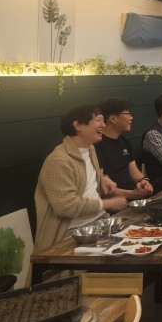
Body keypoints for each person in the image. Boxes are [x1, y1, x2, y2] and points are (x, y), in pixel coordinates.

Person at [34, 104, 127, 250]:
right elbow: (66, 207)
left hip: (99, 222)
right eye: (99, 120)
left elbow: (83, 176)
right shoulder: (58, 161)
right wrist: (108, 204)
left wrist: (101, 177)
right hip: (70, 234)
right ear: (78, 125)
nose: (103, 125)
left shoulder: (90, 149)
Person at [94, 97, 153, 199]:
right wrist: (132, 194)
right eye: (128, 113)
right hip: (114, 199)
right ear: (113, 118)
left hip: (133, 194)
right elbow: (103, 186)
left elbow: (133, 171)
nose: (131, 118)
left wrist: (143, 181)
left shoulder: (123, 141)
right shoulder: (96, 145)